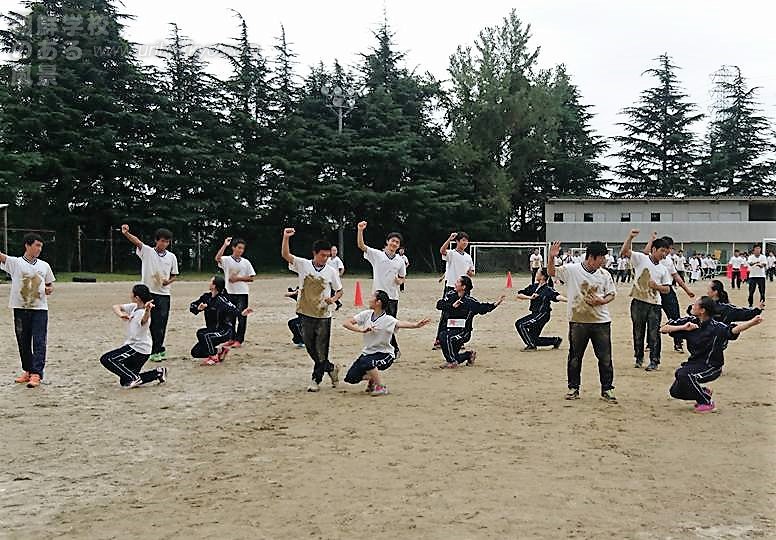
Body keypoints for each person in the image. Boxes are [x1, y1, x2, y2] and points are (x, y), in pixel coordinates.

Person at [662, 296, 763, 413]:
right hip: (694, 363)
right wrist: (683, 327)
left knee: (682, 374)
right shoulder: (690, 322)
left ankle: (706, 402)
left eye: (695, 305)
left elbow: (732, 330)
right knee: (675, 391)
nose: (692, 306)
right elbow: (664, 328)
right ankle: (703, 392)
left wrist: (752, 322)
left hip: (712, 366)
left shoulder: (716, 327)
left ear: (702, 310)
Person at [548, 241, 617, 403]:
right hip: (578, 321)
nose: (604, 261)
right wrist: (552, 257)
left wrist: (601, 301)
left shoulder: (604, 274)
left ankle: (607, 389)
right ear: (591, 257)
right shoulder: (573, 270)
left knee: (605, 358)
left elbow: (612, 294)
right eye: (601, 258)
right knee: (575, 356)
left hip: (601, 322)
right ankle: (573, 388)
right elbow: (552, 272)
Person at [282, 228, 343, 392]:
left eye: (328, 256)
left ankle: (316, 379)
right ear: (315, 253)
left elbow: (339, 291)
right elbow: (286, 256)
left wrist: (333, 299)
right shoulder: (303, 265)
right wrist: (286, 238)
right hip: (305, 312)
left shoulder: (331, 271)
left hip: (324, 314)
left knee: (322, 348)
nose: (325, 258)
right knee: (310, 347)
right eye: (322, 255)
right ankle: (330, 368)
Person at [342, 290, 430, 396]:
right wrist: (362, 330)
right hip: (368, 353)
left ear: (378, 302)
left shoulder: (388, 319)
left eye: (372, 297)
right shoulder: (366, 315)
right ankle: (373, 379)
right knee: (350, 378)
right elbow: (346, 323)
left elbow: (400, 323)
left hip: (385, 354)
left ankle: (381, 387)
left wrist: (416, 325)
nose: (369, 300)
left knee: (368, 363)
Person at [0, 233, 55, 388]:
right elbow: (1, 257)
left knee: (39, 341)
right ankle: (28, 370)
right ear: (27, 245)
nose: (39, 249)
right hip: (20, 308)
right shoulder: (16, 263)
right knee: (23, 341)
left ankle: (37, 373)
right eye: (37, 245)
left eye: (41, 246)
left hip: (39, 309)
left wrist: (49, 289)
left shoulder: (44, 265)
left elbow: (50, 284)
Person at [121, 224, 179, 362]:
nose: (164, 243)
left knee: (161, 323)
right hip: (149, 293)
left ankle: (159, 348)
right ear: (156, 240)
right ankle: (151, 349)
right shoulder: (147, 252)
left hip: (164, 294)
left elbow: (175, 275)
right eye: (162, 240)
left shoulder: (171, 257)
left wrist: (167, 282)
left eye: (167, 241)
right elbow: (137, 242)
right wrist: (126, 233)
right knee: (148, 322)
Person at [621, 230, 672, 371]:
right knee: (638, 331)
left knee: (654, 333)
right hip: (638, 301)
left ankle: (654, 360)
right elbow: (625, 251)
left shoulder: (663, 269)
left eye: (666, 252)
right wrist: (630, 237)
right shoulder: (641, 259)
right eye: (662, 251)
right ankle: (639, 358)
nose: (664, 254)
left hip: (655, 304)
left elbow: (667, 289)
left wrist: (657, 287)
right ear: (654, 249)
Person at [101, 284, 168, 387]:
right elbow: (116, 306)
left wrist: (148, 310)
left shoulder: (143, 313)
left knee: (107, 359)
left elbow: (144, 320)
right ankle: (157, 373)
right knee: (125, 381)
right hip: (138, 348)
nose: (130, 295)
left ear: (137, 298)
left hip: (138, 349)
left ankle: (134, 378)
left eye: (132, 294)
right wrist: (121, 314)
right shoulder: (134, 307)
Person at [357, 221, 407, 357]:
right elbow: (361, 246)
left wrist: (399, 280)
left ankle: (392, 349)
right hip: (378, 297)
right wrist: (360, 230)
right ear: (387, 242)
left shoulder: (400, 260)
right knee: (380, 323)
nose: (394, 244)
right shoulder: (377, 255)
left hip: (393, 297)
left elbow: (403, 277)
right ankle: (389, 349)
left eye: (397, 242)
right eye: (392, 241)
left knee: (389, 324)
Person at [436, 275, 505, 368]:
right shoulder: (451, 295)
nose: (455, 284)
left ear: (463, 287)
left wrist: (496, 304)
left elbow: (482, 308)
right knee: (451, 349)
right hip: (450, 329)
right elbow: (439, 305)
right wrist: (452, 306)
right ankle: (469, 355)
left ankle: (452, 362)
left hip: (463, 332)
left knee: (444, 336)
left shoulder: (470, 302)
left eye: (457, 282)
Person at [644, 235, 696, 353]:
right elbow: (645, 252)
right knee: (652, 319)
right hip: (653, 292)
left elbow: (676, 275)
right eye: (667, 248)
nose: (669, 251)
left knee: (675, 317)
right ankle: (650, 343)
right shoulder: (649, 258)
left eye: (669, 248)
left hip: (667, 291)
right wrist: (651, 239)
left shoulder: (668, 260)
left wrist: (687, 290)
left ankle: (678, 342)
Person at [189, 275, 253, 366]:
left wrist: (242, 313)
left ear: (214, 286)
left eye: (211, 281)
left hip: (224, 331)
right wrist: (198, 308)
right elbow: (192, 306)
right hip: (212, 331)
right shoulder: (206, 297)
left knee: (203, 334)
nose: (209, 283)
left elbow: (233, 309)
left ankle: (214, 358)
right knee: (195, 352)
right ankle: (220, 350)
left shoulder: (221, 300)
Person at [435, 231, 475, 350]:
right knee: (446, 312)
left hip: (464, 289)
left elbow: (472, 272)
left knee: (461, 314)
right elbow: (442, 251)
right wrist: (449, 239)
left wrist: (470, 273)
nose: (465, 242)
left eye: (466, 240)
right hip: (452, 287)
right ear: (457, 241)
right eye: (463, 240)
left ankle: (457, 339)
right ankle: (439, 340)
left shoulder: (468, 257)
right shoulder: (452, 253)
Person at [215, 237, 256, 348]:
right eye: (239, 248)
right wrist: (225, 245)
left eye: (242, 248)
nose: (241, 250)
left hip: (242, 293)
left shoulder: (246, 262)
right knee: (229, 317)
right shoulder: (227, 260)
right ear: (233, 248)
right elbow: (217, 258)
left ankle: (239, 339)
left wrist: (238, 279)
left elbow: (251, 278)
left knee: (242, 317)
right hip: (229, 292)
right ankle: (231, 338)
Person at [514, 268, 567, 351]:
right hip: (535, 314)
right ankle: (555, 340)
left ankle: (531, 346)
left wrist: (569, 300)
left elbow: (557, 296)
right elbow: (519, 295)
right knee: (533, 338)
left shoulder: (548, 289)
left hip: (543, 314)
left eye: (538, 273)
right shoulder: (533, 287)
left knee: (520, 324)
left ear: (542, 276)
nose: (536, 274)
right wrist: (530, 297)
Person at [326, 245, 345, 310]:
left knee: (332, 292)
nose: (334, 252)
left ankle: (338, 303)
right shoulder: (328, 259)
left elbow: (342, 268)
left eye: (335, 250)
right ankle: (337, 303)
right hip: (328, 278)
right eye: (332, 250)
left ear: (337, 252)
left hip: (334, 279)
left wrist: (339, 276)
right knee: (330, 292)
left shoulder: (337, 260)